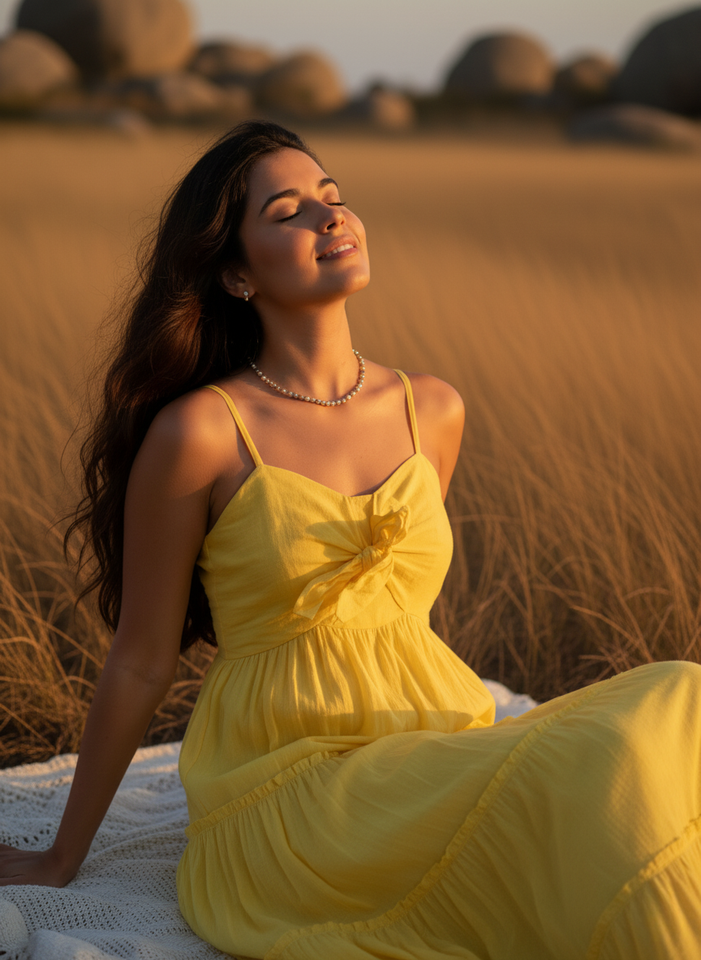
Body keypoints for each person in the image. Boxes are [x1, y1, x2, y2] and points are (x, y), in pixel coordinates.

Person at [1, 120, 700, 960]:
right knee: (611, 760)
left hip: (435, 747)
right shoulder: (201, 434)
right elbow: (142, 659)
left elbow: (392, 613)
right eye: (288, 211)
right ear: (233, 272)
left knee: (679, 701)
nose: (329, 219)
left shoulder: (432, 408)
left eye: (333, 199)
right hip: (293, 792)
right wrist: (61, 854)